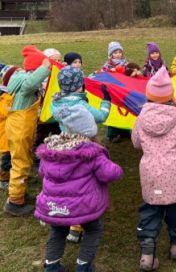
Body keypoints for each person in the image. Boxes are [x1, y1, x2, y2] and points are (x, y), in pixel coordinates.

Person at [35, 103, 123, 272]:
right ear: (89, 130)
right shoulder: (92, 153)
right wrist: (118, 169)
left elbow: (41, 172)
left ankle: (51, 265)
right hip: (84, 206)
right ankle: (84, 265)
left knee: (58, 230)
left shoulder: (50, 151)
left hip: (55, 206)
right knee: (93, 229)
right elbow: (110, 173)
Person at [132, 66, 176, 271]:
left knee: (151, 209)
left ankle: (147, 252)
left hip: (151, 172)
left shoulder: (141, 117)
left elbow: (136, 143)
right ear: (170, 95)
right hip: (175, 172)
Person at [51, 66, 112, 243]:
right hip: (83, 147)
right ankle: (79, 226)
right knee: (83, 185)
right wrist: (106, 100)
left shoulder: (56, 102)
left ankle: (70, 223)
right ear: (79, 85)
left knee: (70, 185)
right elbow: (101, 116)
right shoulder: (80, 105)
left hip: (65, 145)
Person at [3, 46, 52, 216]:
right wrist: (45, 67)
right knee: (20, 164)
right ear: (35, 69)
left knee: (23, 161)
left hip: (19, 130)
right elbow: (31, 83)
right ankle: (15, 202)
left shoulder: (20, 78)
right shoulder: (26, 85)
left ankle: (20, 193)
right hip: (19, 131)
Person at [0, 65, 19, 191]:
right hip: (6, 135)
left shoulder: (11, 94)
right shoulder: (5, 96)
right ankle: (4, 179)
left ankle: (13, 176)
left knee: (13, 157)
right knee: (6, 160)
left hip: (12, 133)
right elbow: (6, 112)